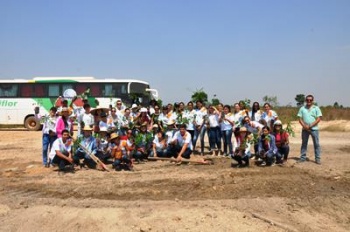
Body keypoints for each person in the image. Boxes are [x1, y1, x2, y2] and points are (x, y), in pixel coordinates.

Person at [297, 95, 322, 164]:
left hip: (314, 129)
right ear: (305, 100)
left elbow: (319, 118)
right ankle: (302, 158)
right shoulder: (302, 108)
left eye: (310, 100)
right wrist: (304, 126)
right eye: (307, 100)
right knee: (304, 143)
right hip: (305, 129)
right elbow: (299, 118)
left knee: (316, 144)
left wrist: (311, 125)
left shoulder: (316, 108)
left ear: (312, 101)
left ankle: (317, 159)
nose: (309, 101)